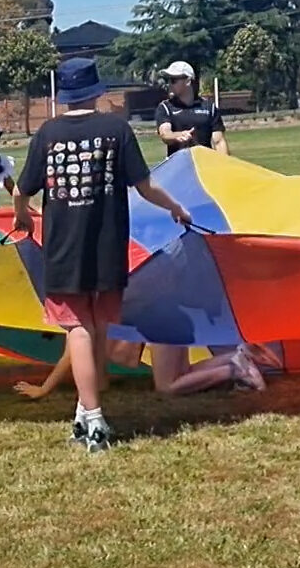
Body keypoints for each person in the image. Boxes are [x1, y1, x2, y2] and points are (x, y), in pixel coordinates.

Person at [14, 57, 192, 452]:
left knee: (76, 326)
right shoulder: (117, 129)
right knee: (97, 324)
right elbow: (145, 186)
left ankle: (92, 420)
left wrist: (22, 217)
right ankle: (84, 409)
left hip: (64, 249)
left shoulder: (47, 133)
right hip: (108, 246)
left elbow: (22, 190)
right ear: (96, 93)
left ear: (62, 97)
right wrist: (176, 208)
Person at [13, 340, 270, 402]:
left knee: (167, 387)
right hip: (165, 315)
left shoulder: (80, 328)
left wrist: (43, 389)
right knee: (182, 374)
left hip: (159, 323)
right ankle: (236, 356)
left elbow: (67, 359)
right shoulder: (95, 311)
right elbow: (100, 384)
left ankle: (233, 371)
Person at [155, 61, 229, 157]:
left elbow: (219, 141)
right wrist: (179, 135)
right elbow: (165, 134)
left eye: (173, 80)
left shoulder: (209, 107)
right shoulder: (165, 107)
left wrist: (224, 165)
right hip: (178, 167)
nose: (169, 84)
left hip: (205, 164)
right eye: (168, 80)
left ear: (188, 81)